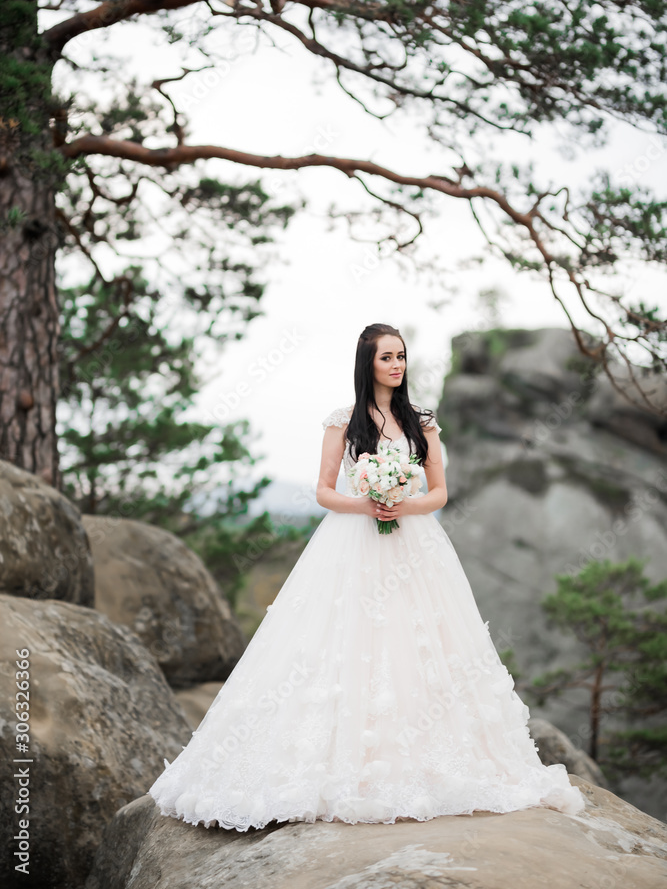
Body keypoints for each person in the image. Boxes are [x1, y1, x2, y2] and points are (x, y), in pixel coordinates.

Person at [147, 322, 586, 830]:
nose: (397, 365)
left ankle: (429, 761)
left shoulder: (422, 420)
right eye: (386, 358)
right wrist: (369, 503)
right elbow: (324, 491)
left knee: (419, 642)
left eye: (401, 356)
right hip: (352, 541)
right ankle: (337, 764)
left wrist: (403, 502)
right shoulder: (344, 419)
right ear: (367, 364)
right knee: (344, 641)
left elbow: (440, 492)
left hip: (415, 544)